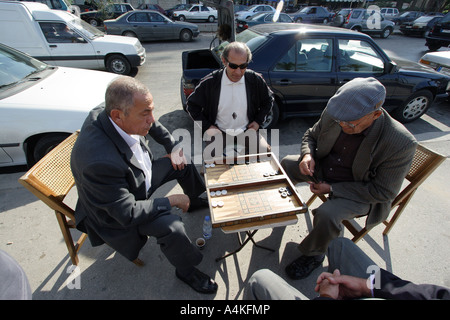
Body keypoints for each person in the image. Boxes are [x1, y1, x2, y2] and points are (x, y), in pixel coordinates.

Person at [71, 76, 217, 294]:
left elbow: (153, 124)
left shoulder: (115, 107)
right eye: (145, 114)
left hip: (137, 178)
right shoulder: (98, 162)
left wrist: (172, 145)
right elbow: (126, 212)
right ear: (117, 117)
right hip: (118, 211)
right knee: (172, 227)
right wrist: (171, 200)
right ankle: (186, 271)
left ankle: (194, 200)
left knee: (182, 163)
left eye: (151, 110)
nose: (151, 119)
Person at [281, 77, 417, 280]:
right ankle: (281, 209)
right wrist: (308, 155)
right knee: (287, 163)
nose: (343, 125)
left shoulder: (401, 142)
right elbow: (311, 135)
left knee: (328, 214)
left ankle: (314, 255)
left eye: (350, 124)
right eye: (340, 122)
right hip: (324, 169)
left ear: (376, 114)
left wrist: (333, 189)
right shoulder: (337, 112)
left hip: (359, 191)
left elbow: (383, 191)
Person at [246, 237, 450, 300]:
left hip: (352, 195)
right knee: (340, 244)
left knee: (259, 279)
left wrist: (327, 298)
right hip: (388, 290)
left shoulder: (398, 142)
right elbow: (424, 293)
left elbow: (379, 192)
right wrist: (367, 286)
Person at [186, 41, 274, 159]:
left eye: (243, 66)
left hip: (246, 130)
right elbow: (191, 105)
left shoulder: (255, 79)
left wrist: (258, 121)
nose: (238, 72)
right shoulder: (210, 82)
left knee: (265, 153)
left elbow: (268, 100)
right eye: (233, 66)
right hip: (219, 132)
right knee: (211, 162)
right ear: (224, 61)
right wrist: (208, 127)